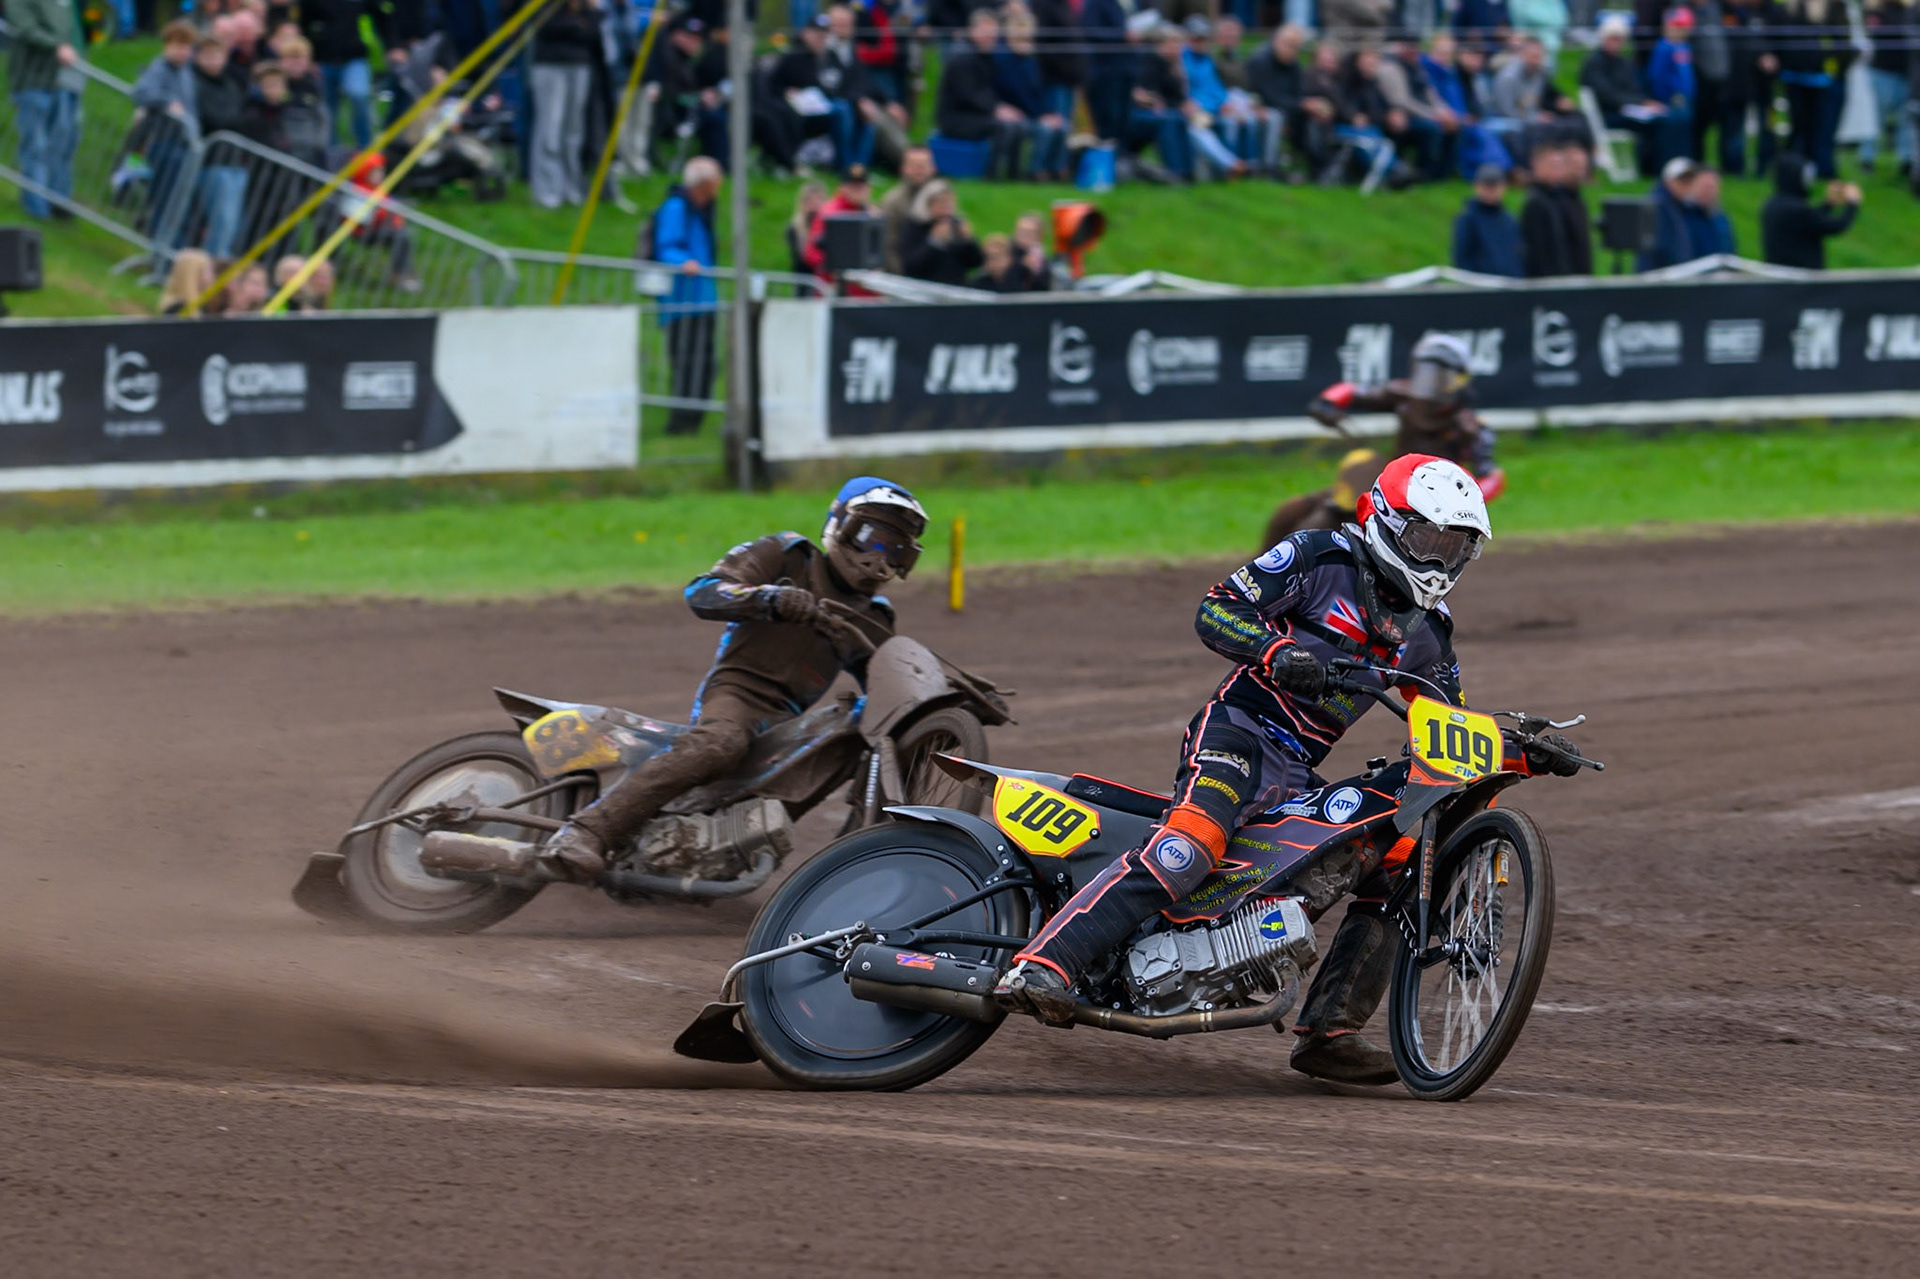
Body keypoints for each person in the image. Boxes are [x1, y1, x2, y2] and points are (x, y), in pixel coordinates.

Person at [998, 455, 1578, 1085]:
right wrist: (1277, 650)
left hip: (1297, 768)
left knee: (1399, 862)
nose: (1439, 560)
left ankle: (1330, 1031)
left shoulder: (1430, 632)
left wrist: (1521, 751)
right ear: (1385, 520)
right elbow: (1217, 607)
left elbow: (1448, 731)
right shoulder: (1320, 556)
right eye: (1426, 539)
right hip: (1236, 734)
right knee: (1191, 845)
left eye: (1456, 547)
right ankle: (1045, 963)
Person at [469, 479, 931, 885]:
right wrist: (768, 599)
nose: (879, 557)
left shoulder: (874, 617)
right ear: (840, 525)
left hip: (786, 722)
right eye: (871, 538)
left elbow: (884, 685)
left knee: (841, 750)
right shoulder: (789, 555)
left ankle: (752, 865)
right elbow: (704, 590)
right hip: (737, 692)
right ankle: (587, 830)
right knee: (722, 744)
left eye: (895, 549)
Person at [1306, 333, 1504, 502]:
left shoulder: (1469, 426)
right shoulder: (1403, 396)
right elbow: (1354, 391)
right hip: (1390, 484)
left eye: (1439, 377)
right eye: (1425, 374)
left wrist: (1462, 499)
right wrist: (1328, 403)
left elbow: (1492, 477)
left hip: (1433, 500)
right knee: (1312, 503)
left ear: (1460, 381)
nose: (1429, 385)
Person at [652, 157, 722, 435]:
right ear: (703, 185)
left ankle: (695, 419)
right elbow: (665, 247)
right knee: (687, 362)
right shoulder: (676, 207)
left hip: (703, 298)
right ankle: (681, 422)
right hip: (682, 301)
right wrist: (684, 262)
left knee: (705, 363)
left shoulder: (702, 210)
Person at [6, 0, 85, 222]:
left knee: (61, 144)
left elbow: (72, 35)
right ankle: (37, 207)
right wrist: (56, 46)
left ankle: (57, 202)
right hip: (32, 82)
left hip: (61, 82)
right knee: (36, 146)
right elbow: (25, 28)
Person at [524, 0, 601, 208]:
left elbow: (593, 30)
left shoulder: (586, 6)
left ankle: (570, 186)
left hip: (580, 65)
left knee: (574, 131)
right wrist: (577, 25)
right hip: (550, 64)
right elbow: (543, 25)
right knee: (549, 128)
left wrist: (582, 21)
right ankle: (547, 190)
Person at [937, 8, 1029, 179]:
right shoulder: (962, 56)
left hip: (976, 114)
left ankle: (1014, 176)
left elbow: (989, 91)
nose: (990, 38)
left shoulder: (984, 55)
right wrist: (997, 110)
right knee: (1003, 128)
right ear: (972, 30)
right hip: (956, 119)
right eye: (986, 33)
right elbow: (968, 95)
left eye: (993, 35)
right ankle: (990, 175)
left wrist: (1004, 108)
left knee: (1018, 125)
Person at [995, 8, 1069, 180]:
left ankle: (1056, 170)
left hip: (1034, 113)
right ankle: (1035, 171)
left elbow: (1041, 92)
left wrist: (1050, 113)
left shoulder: (1033, 60)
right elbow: (1015, 92)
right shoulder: (1002, 58)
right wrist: (1041, 116)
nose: (1025, 35)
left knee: (1062, 125)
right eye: (1019, 30)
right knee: (1045, 129)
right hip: (1016, 113)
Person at [1760, 153, 1861, 268]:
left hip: (1781, 272)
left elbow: (1810, 221)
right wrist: (1852, 204)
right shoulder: (1796, 209)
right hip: (1803, 274)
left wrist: (1829, 204)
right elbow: (1835, 226)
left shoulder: (1773, 204)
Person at [297, 0, 373, 148]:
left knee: (358, 95)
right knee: (327, 110)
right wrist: (309, 59)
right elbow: (304, 24)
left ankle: (365, 147)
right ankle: (331, 151)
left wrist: (393, 45)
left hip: (354, 57)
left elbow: (380, 16)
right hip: (323, 60)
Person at [1520, 141, 1593, 276]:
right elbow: (1538, 251)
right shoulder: (1536, 203)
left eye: (1559, 165)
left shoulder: (1559, 199)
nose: (1558, 169)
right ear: (1537, 165)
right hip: (1549, 280)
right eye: (1553, 164)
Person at [1860, 0, 1915, 176]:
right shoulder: (1876, 9)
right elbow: (1878, 34)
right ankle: (1867, 157)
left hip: (1907, 73)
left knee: (1906, 119)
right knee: (1876, 117)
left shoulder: (1910, 11)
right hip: (1882, 72)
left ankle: (1906, 159)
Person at [899, 179, 984, 285]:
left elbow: (977, 262)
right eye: (940, 203)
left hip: (955, 287)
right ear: (928, 205)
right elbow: (911, 266)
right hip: (925, 286)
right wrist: (934, 242)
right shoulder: (916, 226)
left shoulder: (957, 225)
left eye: (949, 203)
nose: (945, 208)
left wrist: (969, 240)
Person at [1451, 163, 1524, 277]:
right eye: (1487, 186)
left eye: (1494, 186)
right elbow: (1462, 259)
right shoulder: (1467, 220)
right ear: (1476, 186)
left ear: (1504, 187)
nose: (1491, 190)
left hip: (1511, 283)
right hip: (1482, 285)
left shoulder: (1509, 220)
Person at [878, 145, 934, 273]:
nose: (919, 170)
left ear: (932, 168)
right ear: (903, 168)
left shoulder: (939, 198)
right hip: (904, 272)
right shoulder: (893, 202)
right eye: (914, 165)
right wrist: (901, 276)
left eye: (923, 165)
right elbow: (887, 245)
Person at [1641, 155, 1700, 270]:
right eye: (1682, 181)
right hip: (1659, 273)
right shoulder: (1659, 206)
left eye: (1689, 182)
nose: (1686, 186)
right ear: (1668, 181)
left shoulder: (1683, 206)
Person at [157, 247, 216, 314]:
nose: (212, 277)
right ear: (193, 274)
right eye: (208, 271)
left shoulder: (200, 303)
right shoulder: (179, 309)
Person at [788, 179, 828, 274]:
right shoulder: (795, 228)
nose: (815, 203)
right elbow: (801, 258)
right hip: (806, 275)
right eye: (810, 200)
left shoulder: (828, 224)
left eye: (819, 199)